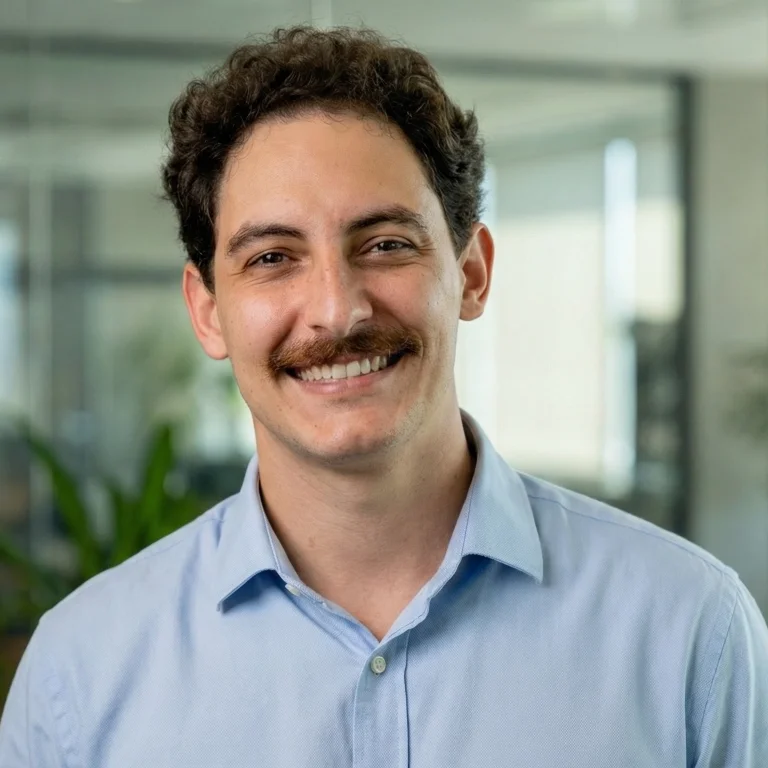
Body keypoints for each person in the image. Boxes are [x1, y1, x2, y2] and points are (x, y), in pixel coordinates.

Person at [1, 25, 767, 767]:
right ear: (208, 310)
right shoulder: (82, 674)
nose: (337, 310)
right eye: (273, 257)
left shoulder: (689, 633)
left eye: (386, 244)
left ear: (471, 273)